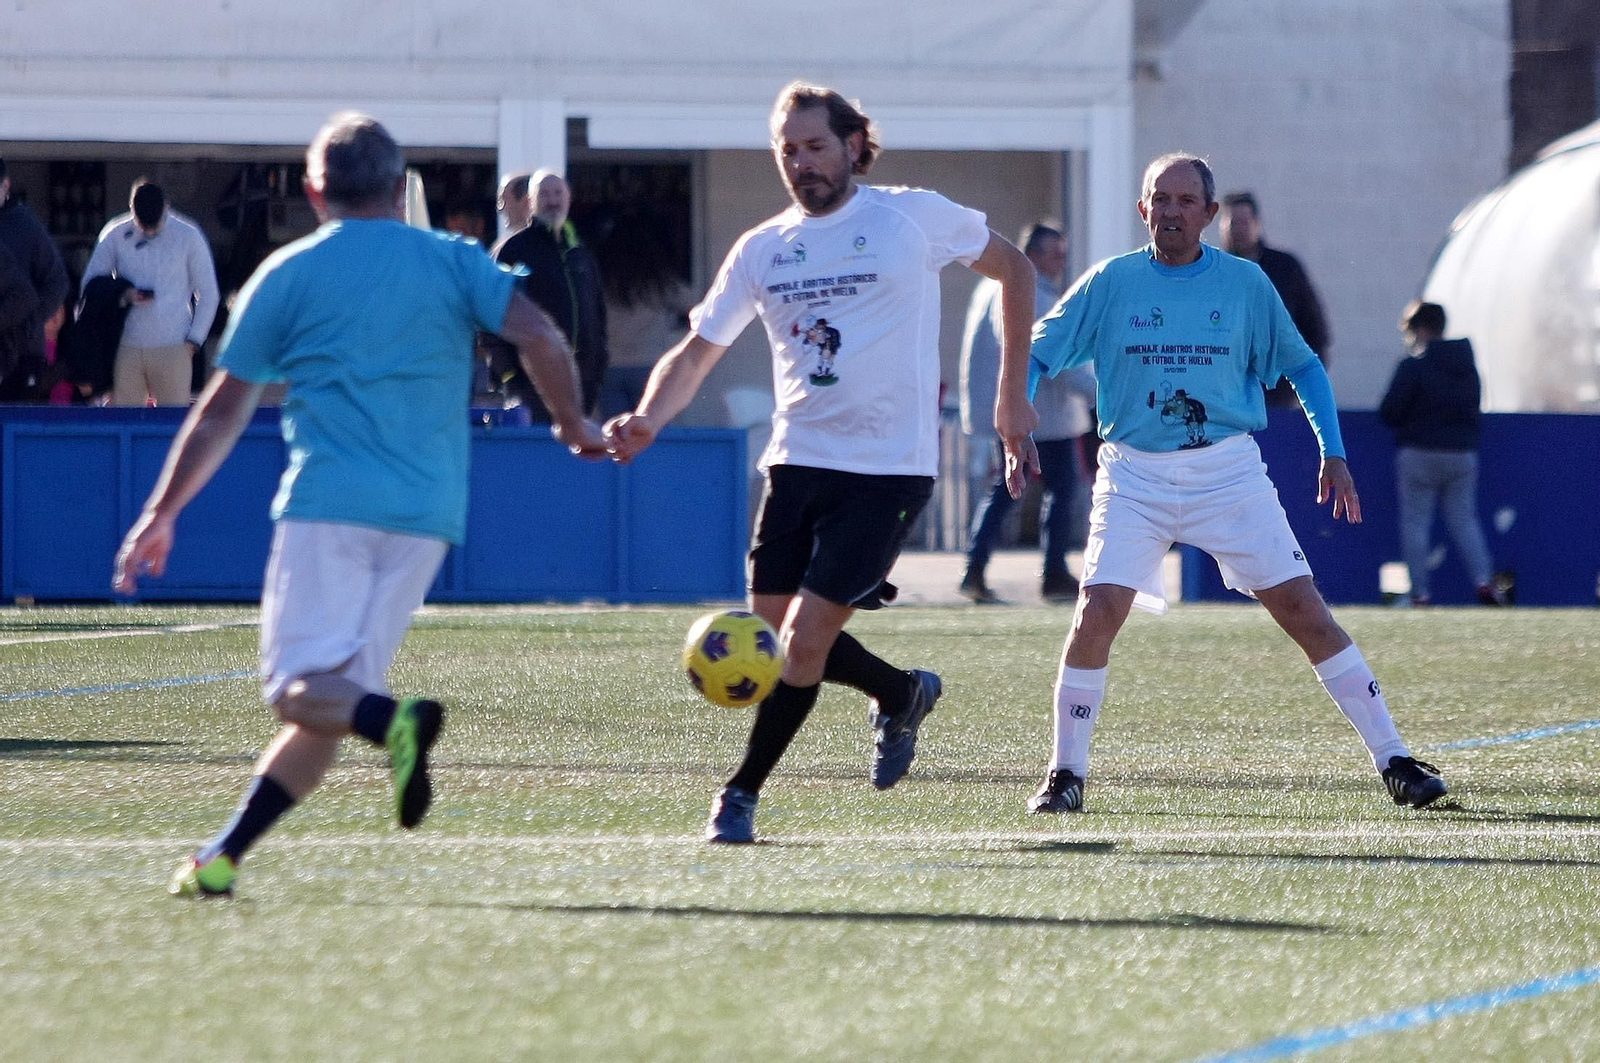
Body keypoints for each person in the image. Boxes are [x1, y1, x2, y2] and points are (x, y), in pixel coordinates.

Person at [112, 112, 607, 899]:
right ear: (398, 183)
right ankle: (222, 857)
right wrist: (574, 425)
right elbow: (542, 334)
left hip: (328, 506)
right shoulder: (452, 259)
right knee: (326, 707)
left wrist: (162, 509)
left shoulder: (291, 271)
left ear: (313, 190)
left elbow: (220, 410)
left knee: (295, 688)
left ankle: (395, 722)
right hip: (428, 515)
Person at [606, 82, 1040, 844]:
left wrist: (1011, 400)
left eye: (813, 147)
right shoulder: (762, 248)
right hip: (796, 465)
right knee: (777, 642)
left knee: (803, 643)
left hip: (890, 470)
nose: (801, 163)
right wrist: (647, 416)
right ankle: (900, 691)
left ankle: (739, 794)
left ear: (852, 146)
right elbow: (699, 349)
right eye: (787, 151)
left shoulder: (913, 214)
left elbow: (1017, 272)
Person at [1024, 152, 1448, 816]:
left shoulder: (1247, 285)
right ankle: (1064, 773)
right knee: (1096, 612)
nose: (1170, 210)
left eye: (1185, 200)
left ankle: (1394, 757)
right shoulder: (1111, 281)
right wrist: (1016, 417)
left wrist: (1332, 451)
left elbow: (1304, 368)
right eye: (1158, 199)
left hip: (1228, 472)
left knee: (1305, 611)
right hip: (1133, 473)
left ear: (1210, 214)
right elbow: (1039, 350)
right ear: (1142, 210)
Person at [958, 221, 1095, 604]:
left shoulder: (994, 286)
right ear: (1031, 255)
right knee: (1048, 491)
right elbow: (1053, 358)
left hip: (1024, 412)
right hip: (1039, 417)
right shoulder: (1028, 293)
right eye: (1055, 253)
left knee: (1008, 491)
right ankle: (1048, 573)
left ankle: (978, 568)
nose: (1062, 261)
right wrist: (1103, 395)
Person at [1378, 300, 1504, 606]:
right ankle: (1485, 582)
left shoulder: (1414, 366)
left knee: (1415, 523)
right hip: (1462, 454)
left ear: (1420, 329)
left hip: (1418, 452)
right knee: (1465, 521)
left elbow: (1390, 411)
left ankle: (1419, 592)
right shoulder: (1467, 366)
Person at [82, 179, 220, 406]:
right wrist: (123, 294)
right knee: (124, 425)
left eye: (155, 224)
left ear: (167, 206)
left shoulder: (188, 236)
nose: (150, 231)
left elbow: (208, 293)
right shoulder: (115, 234)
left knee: (171, 426)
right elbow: (91, 284)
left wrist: (193, 341)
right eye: (143, 225)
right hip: (125, 346)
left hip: (174, 346)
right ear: (131, 210)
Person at [484, 169, 608, 420]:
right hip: (530, 392)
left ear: (569, 198)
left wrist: (596, 377)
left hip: (582, 391)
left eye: (558, 193)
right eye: (544, 194)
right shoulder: (513, 250)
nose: (552, 200)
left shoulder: (580, 254)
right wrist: (510, 376)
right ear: (530, 201)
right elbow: (488, 321)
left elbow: (598, 319)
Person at [1217, 191, 1330, 408]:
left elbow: (1316, 331)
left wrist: (1307, 385)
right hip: (1227, 397)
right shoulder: (1213, 272)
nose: (1237, 230)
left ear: (1257, 224)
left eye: (1243, 222)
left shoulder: (1285, 269)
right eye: (1232, 223)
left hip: (1278, 396)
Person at [0, 157, 70, 403]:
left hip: (24, 352)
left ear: (5, 186)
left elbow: (57, 281)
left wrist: (32, 321)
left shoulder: (27, 226)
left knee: (19, 427)